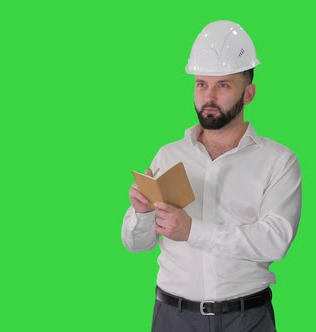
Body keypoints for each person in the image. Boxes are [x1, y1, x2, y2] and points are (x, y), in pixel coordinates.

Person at [122, 20, 302, 332]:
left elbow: (275, 240)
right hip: (173, 318)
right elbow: (136, 244)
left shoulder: (278, 161)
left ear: (248, 93)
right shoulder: (168, 156)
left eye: (223, 85)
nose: (209, 96)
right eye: (202, 84)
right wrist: (141, 214)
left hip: (246, 319)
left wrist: (192, 230)